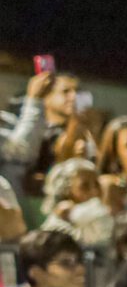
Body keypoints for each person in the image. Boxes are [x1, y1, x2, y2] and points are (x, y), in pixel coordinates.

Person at [2, 67, 79, 197]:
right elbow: (21, 150)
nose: (74, 97)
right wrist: (34, 100)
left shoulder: (80, 130)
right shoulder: (37, 132)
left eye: (76, 91)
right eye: (66, 91)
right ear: (46, 96)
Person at [38, 155, 116, 246]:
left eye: (97, 184)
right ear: (66, 191)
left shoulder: (101, 217)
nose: (95, 192)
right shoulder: (55, 228)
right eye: (85, 186)